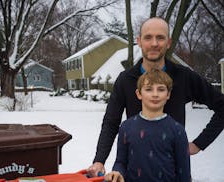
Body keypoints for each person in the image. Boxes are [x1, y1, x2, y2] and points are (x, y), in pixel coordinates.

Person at [87, 17, 224, 177]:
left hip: (171, 172)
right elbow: (111, 122)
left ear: (168, 42)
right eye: (148, 37)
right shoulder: (126, 80)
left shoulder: (184, 77)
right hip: (135, 170)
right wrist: (99, 160)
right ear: (139, 41)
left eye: (160, 37)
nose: (154, 43)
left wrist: (199, 144)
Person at [104, 69, 190, 182]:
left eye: (161, 89)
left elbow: (183, 173)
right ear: (139, 94)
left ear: (168, 94)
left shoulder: (177, 130)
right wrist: (117, 173)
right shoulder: (126, 127)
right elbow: (121, 162)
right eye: (149, 89)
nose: (155, 94)